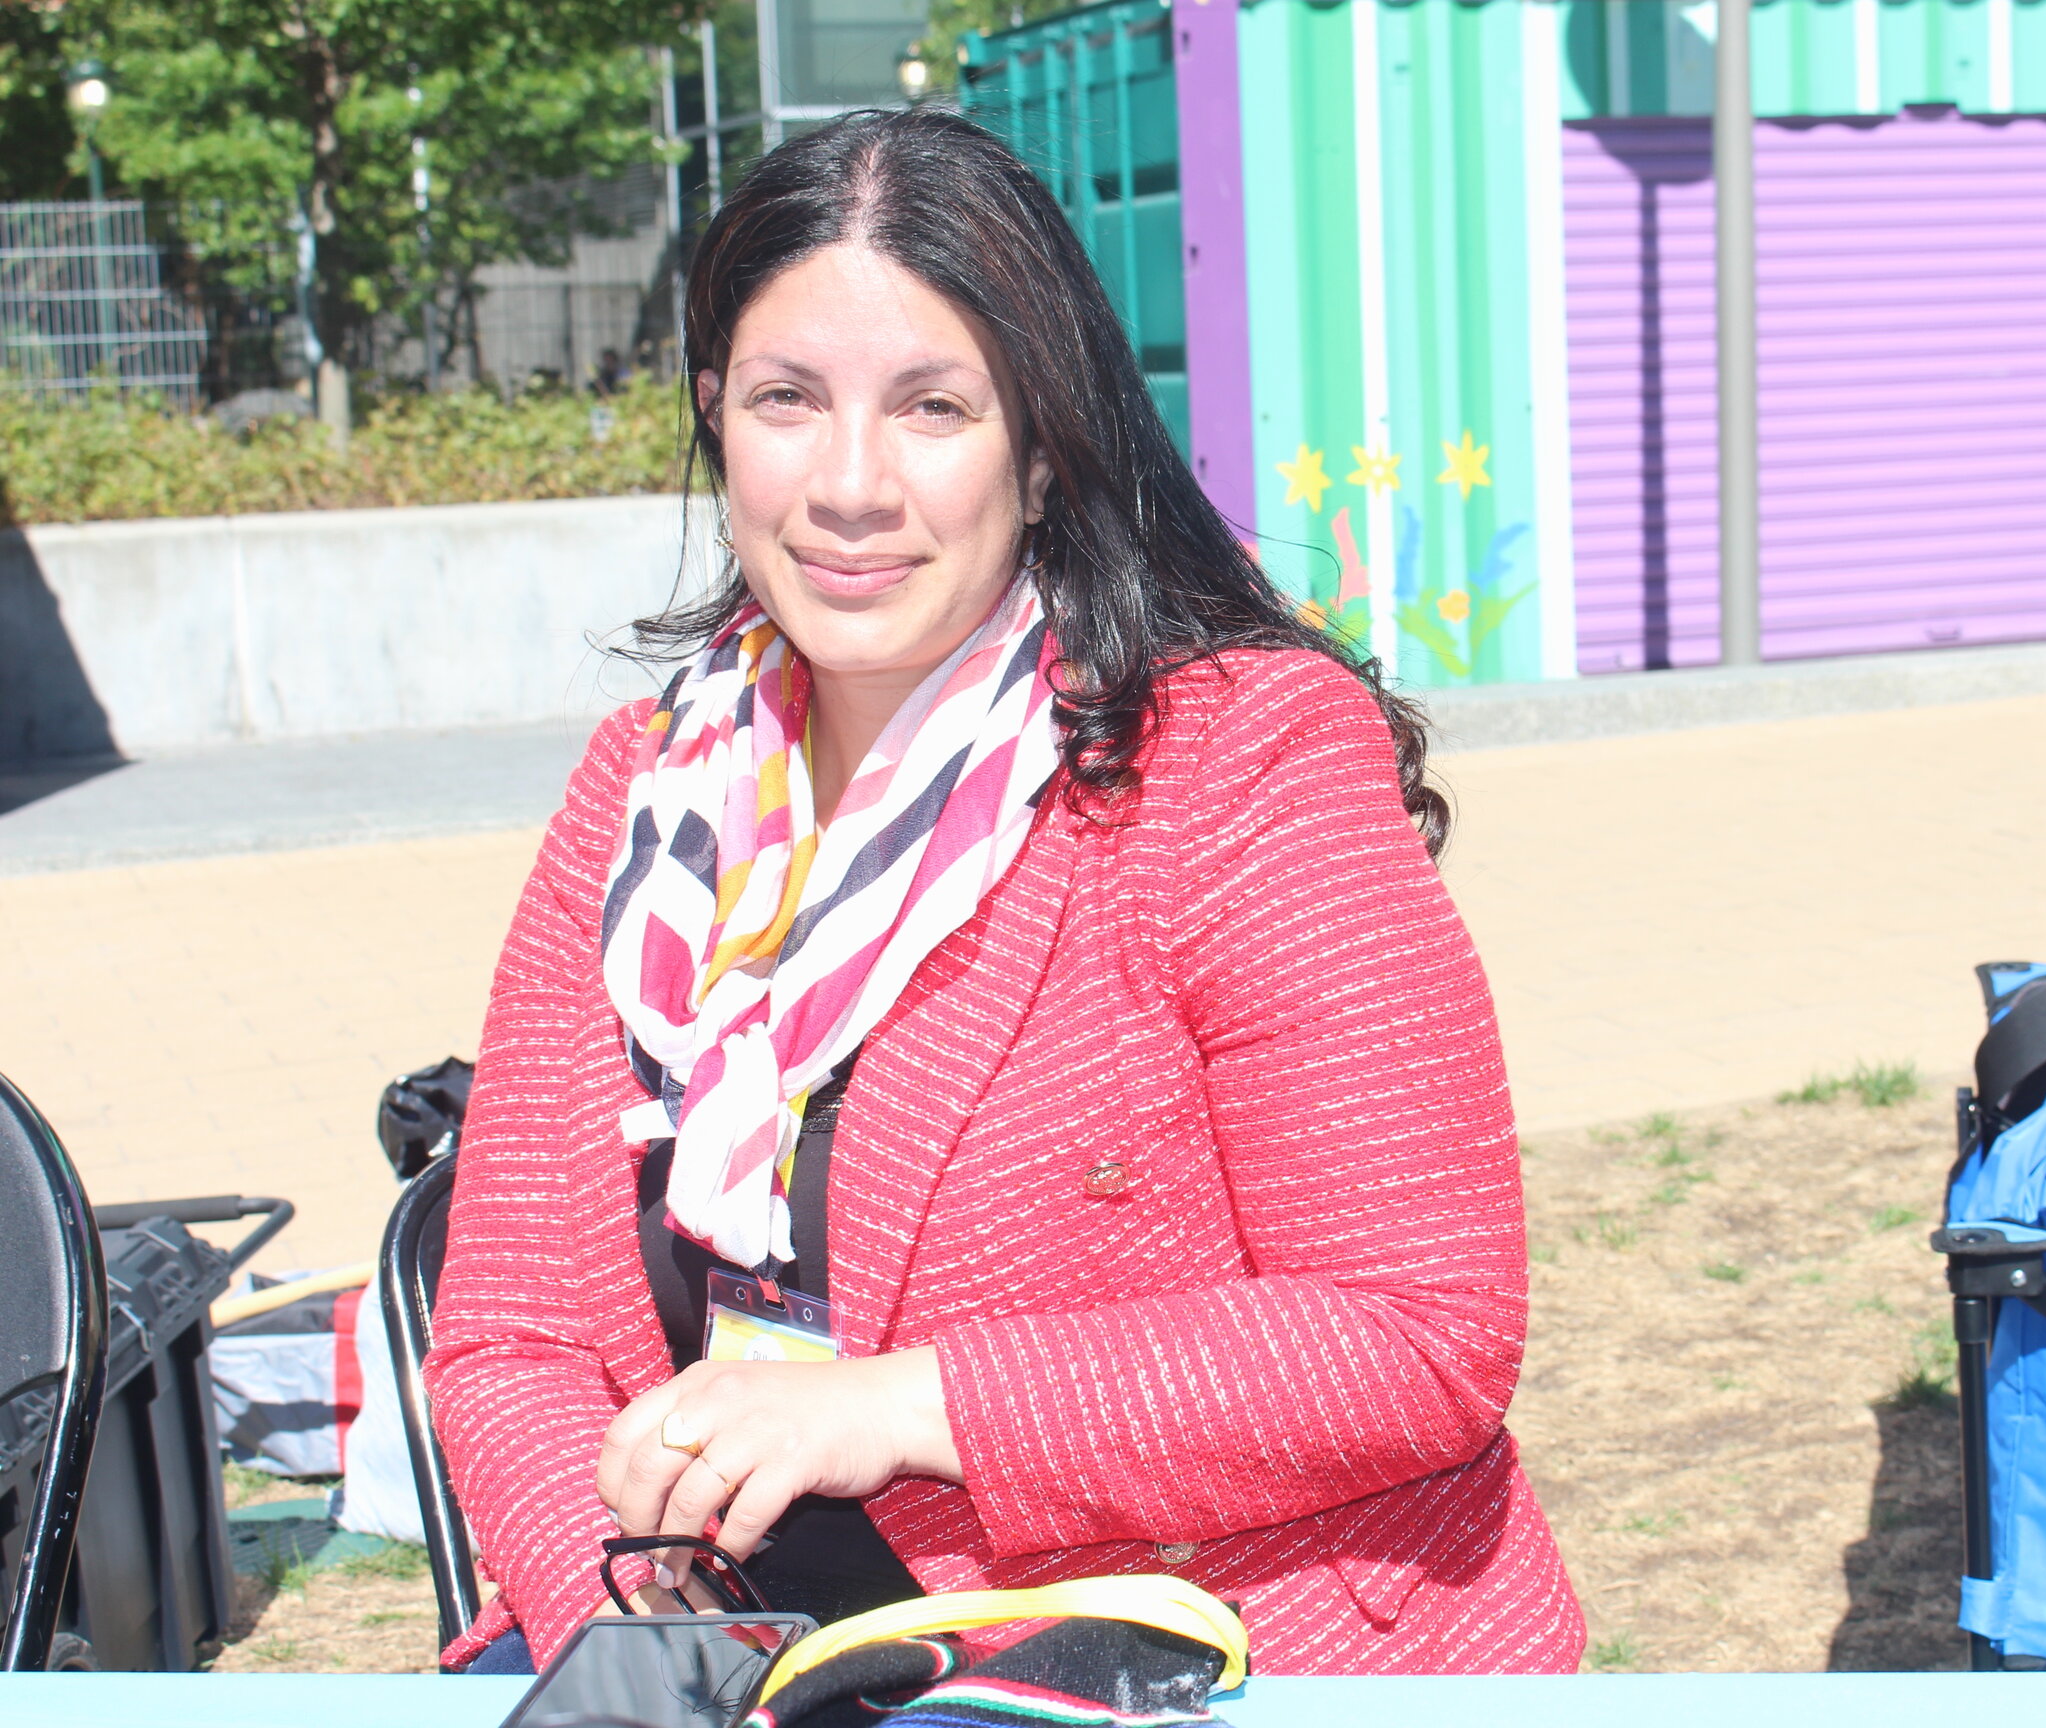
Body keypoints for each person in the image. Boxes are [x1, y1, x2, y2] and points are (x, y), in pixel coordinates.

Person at [423, 106, 1584, 1678]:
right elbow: (514, 1345)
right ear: (717, 421)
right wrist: (643, 1646)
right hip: (745, 1654)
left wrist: (894, 1407)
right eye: (785, 401)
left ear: (1041, 452)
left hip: (1191, 1653)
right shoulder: (642, 800)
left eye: (931, 408)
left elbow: (1416, 1333)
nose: (848, 484)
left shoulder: (1238, 760)